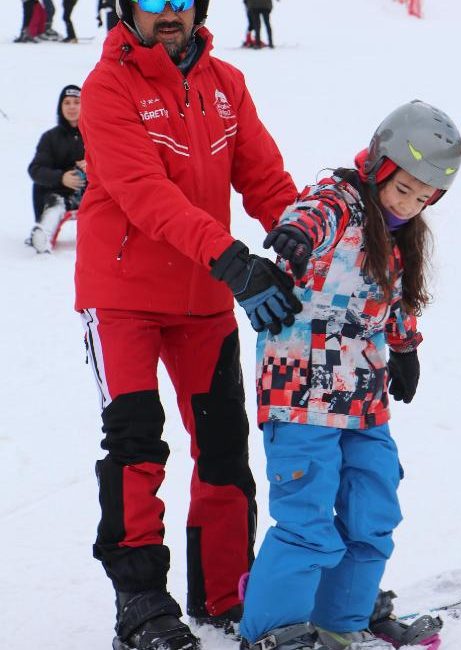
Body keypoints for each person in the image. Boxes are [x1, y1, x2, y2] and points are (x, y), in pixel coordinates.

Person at [76, 1, 300, 649]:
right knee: (137, 444)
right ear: (127, 7)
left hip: (203, 297)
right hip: (121, 296)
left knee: (225, 446)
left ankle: (226, 593)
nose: (169, 11)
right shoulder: (107, 87)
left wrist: (315, 250)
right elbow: (144, 192)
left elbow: (264, 180)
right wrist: (233, 258)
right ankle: (141, 604)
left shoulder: (226, 83)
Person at [238, 100, 461, 650]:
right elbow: (313, 215)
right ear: (380, 166)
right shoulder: (340, 199)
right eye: (402, 189)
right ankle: (273, 634)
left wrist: (405, 348)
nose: (408, 205)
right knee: (307, 518)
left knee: (373, 509)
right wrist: (295, 232)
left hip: (364, 398)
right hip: (301, 393)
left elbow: (392, 298)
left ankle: (341, 621)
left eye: (422, 198)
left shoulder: (397, 237)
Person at [27, 84, 86, 253]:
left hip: (91, 194)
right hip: (58, 196)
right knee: (54, 207)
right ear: (61, 107)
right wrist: (61, 178)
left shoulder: (96, 133)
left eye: (76, 102)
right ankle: (42, 237)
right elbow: (36, 170)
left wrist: (93, 166)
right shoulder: (50, 138)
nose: (72, 107)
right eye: (67, 102)